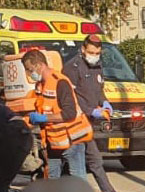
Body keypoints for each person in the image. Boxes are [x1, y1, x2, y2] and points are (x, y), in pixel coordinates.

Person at [61, 34, 124, 192]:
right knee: (90, 161)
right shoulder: (72, 68)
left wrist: (104, 102)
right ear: (83, 49)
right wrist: (90, 110)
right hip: (76, 123)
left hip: (89, 123)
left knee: (80, 162)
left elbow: (99, 89)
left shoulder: (97, 66)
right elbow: (70, 98)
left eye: (97, 52)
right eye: (91, 52)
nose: (94, 55)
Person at [22, 50, 93, 180]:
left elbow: (69, 113)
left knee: (78, 179)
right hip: (54, 141)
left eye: (29, 69)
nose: (28, 74)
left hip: (72, 141)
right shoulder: (40, 85)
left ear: (39, 65)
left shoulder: (60, 82)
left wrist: (43, 118)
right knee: (52, 178)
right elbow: (41, 108)